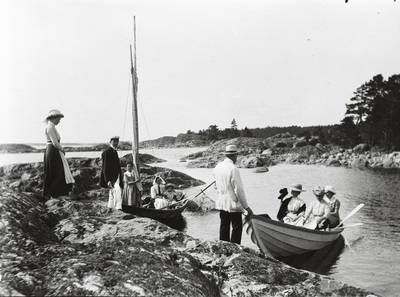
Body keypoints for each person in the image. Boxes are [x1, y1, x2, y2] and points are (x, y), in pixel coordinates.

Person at [213, 144, 253, 245]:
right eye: (236, 156)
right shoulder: (233, 168)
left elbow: (215, 186)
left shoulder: (217, 167)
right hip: (233, 203)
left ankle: (222, 246)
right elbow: (239, 190)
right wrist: (246, 207)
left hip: (221, 202)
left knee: (224, 225)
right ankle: (235, 247)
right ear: (234, 156)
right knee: (236, 227)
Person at [43, 109, 75, 198]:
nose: (59, 121)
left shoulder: (51, 126)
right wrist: (62, 149)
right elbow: (54, 142)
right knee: (58, 171)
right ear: (53, 118)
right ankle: (53, 192)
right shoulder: (50, 127)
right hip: (53, 150)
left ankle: (56, 192)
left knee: (57, 171)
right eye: (58, 119)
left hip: (53, 150)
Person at [100, 136, 124, 212]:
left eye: (117, 142)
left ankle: (110, 206)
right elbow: (105, 167)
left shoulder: (114, 151)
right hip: (111, 177)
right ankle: (118, 207)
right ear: (110, 142)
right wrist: (107, 180)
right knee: (117, 190)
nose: (116, 143)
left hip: (116, 175)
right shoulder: (107, 152)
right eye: (114, 142)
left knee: (112, 191)